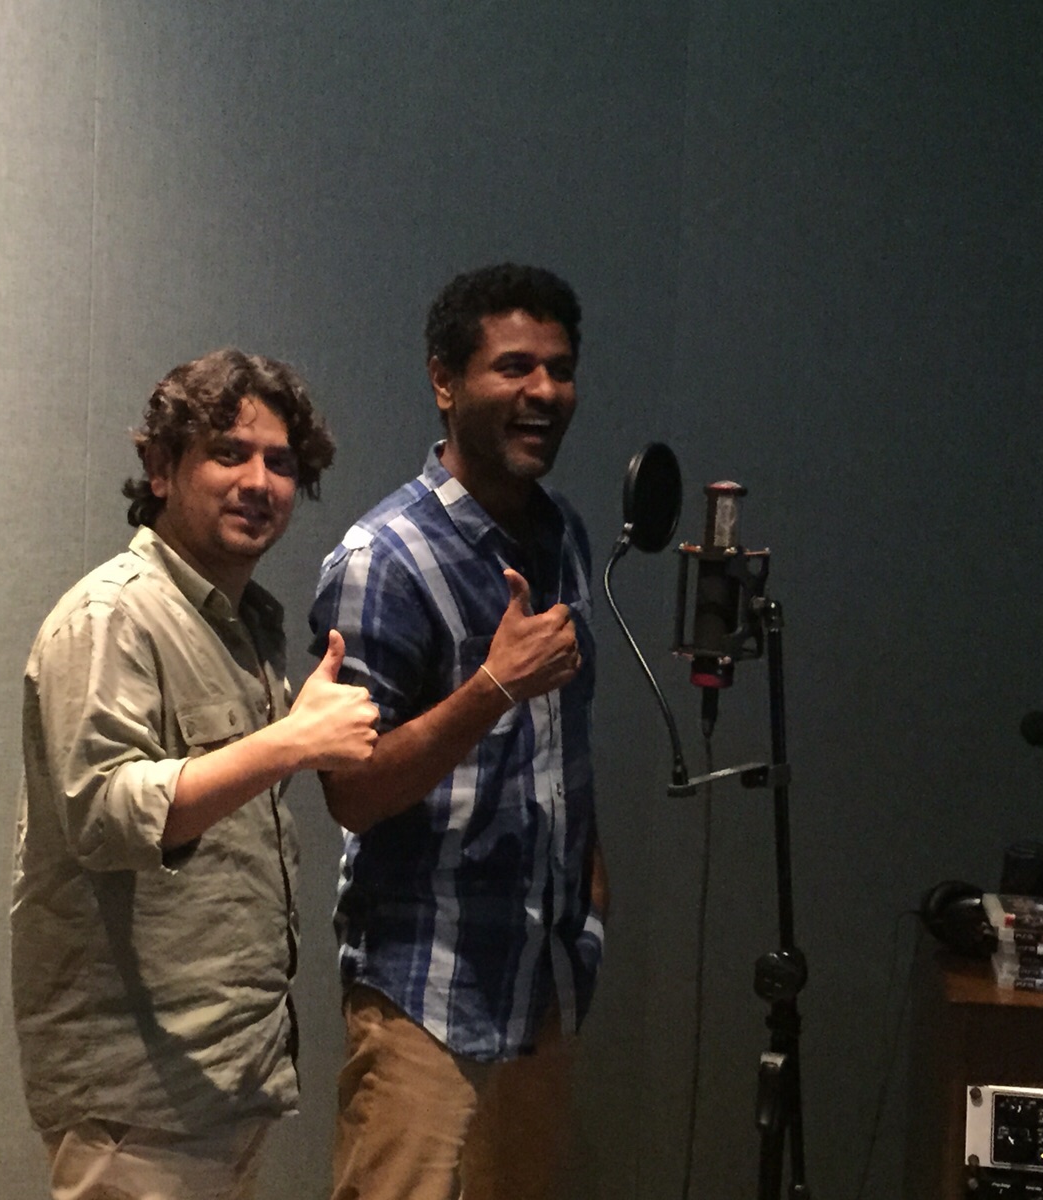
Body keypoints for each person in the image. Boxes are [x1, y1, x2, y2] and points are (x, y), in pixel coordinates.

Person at [12, 348, 380, 1200]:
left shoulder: (242, 625)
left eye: (279, 462)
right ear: (160, 468)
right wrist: (288, 743)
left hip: (221, 1080)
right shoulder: (112, 616)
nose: (258, 482)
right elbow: (104, 813)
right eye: (228, 453)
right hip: (136, 1098)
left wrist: (285, 739)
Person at [309, 263, 607, 1200]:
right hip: (423, 995)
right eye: (514, 367)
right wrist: (491, 686)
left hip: (540, 985)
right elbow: (351, 792)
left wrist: (590, 909)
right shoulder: (382, 560)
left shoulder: (562, 536)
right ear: (445, 381)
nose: (544, 392)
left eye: (560, 370)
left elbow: (565, 748)